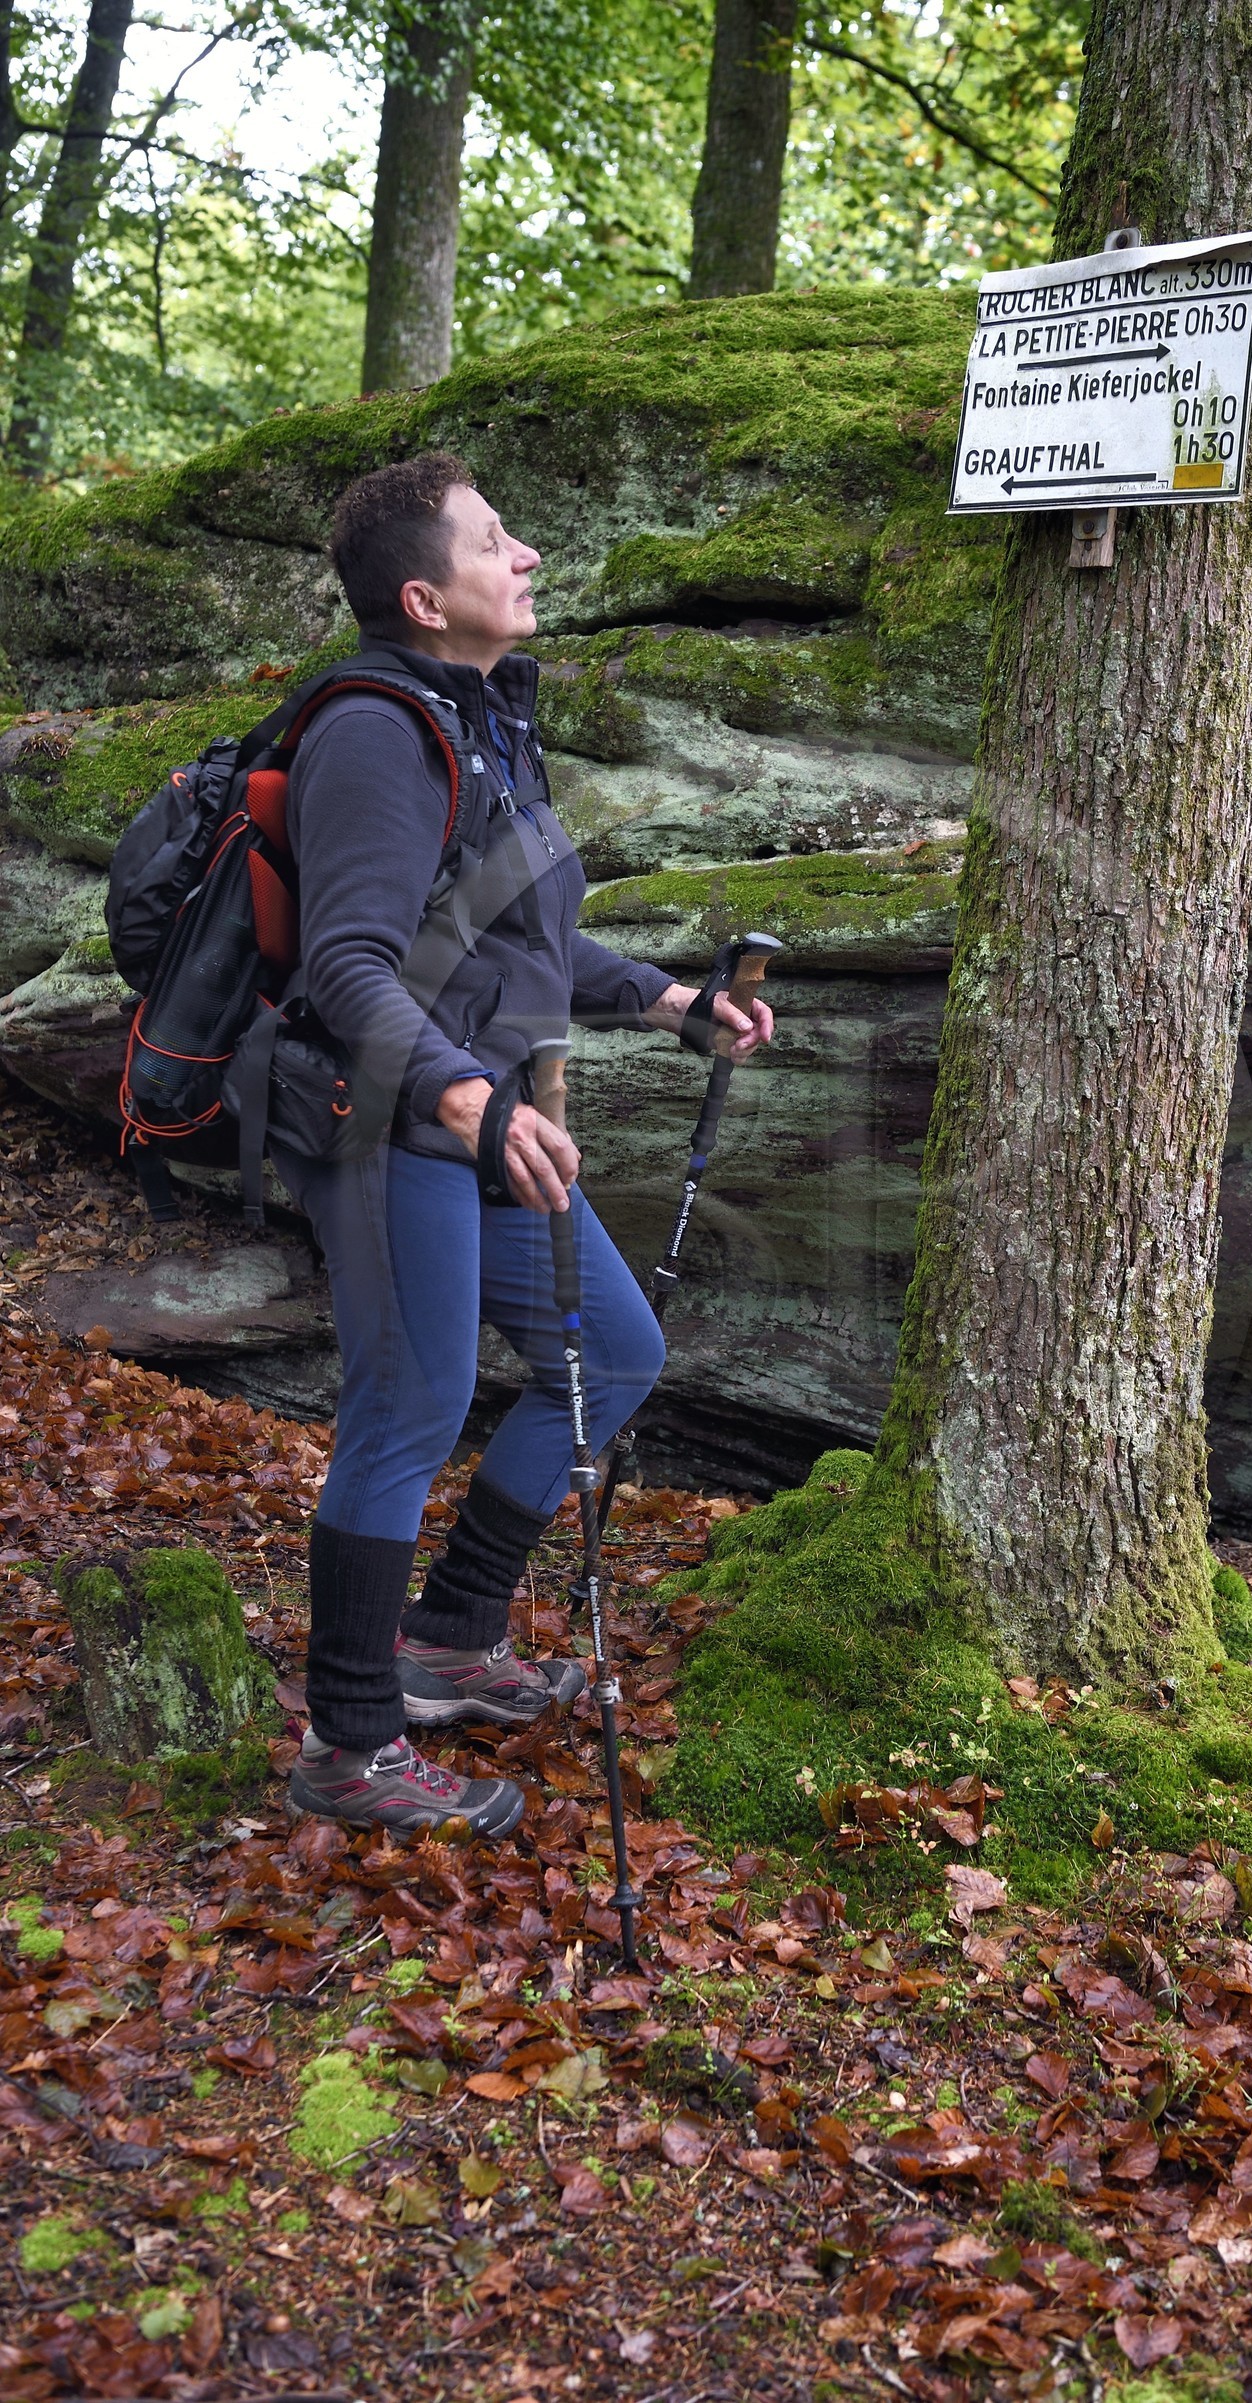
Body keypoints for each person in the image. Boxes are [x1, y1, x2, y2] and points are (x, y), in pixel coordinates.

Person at [278, 451, 773, 1836]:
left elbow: (516, 937)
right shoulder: (375, 731)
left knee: (613, 1354)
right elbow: (349, 966)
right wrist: (465, 1103)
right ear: (428, 597)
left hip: (479, 1124)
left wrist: (670, 999)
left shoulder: (478, 715)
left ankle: (449, 1639)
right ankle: (350, 1742)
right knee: (409, 1408)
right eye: (500, 541)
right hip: (392, 1124)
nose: (531, 557)